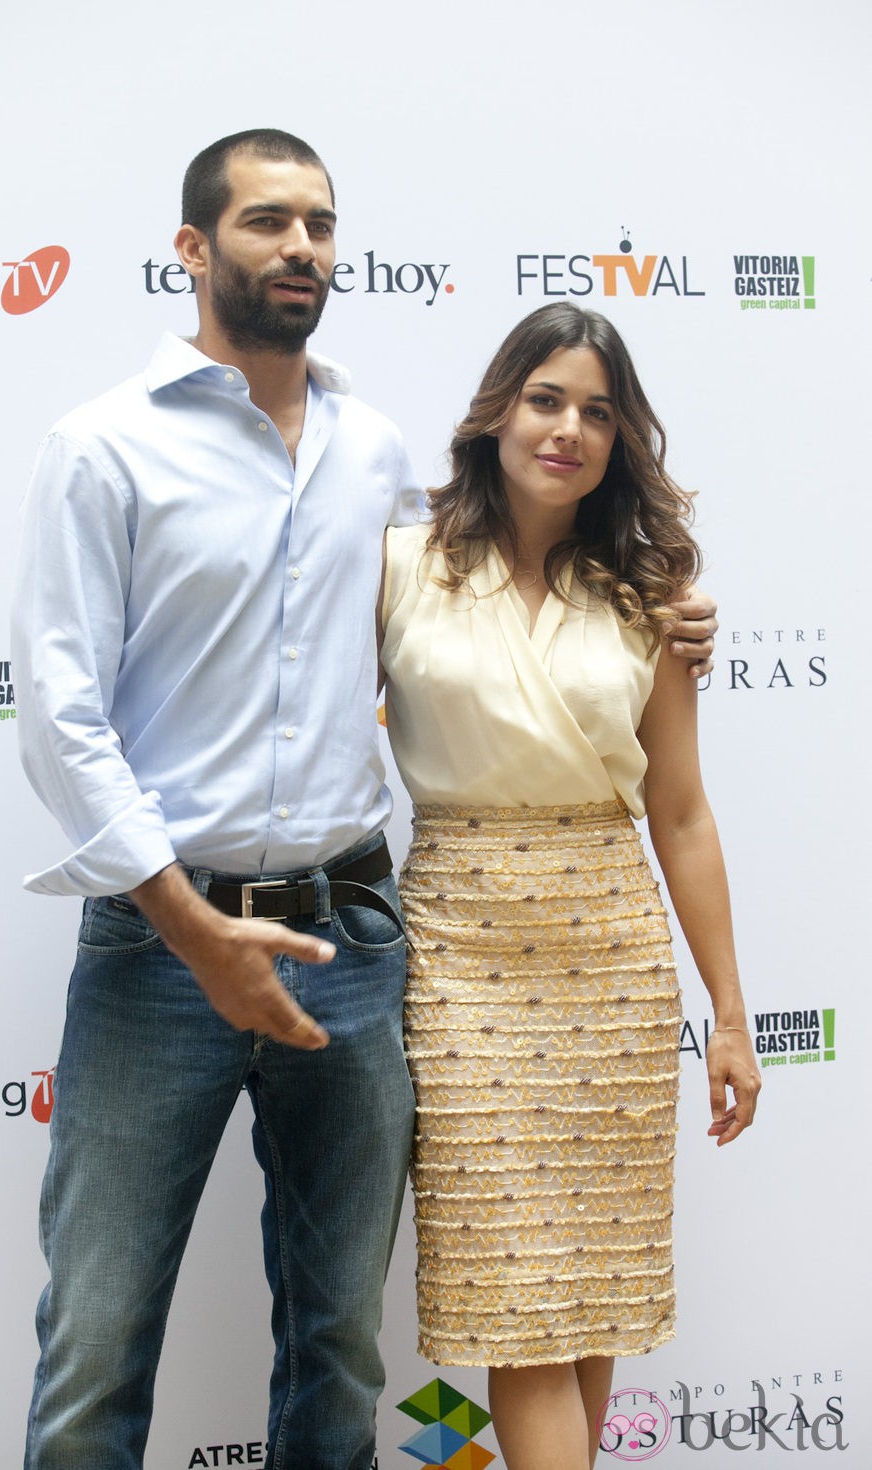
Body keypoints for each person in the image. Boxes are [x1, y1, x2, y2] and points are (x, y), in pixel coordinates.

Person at [12, 128, 719, 1470]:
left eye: (322, 225)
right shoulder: (101, 448)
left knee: (338, 1341)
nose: (300, 248)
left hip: (352, 935)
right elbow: (59, 720)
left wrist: (669, 620)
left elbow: (497, 601)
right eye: (268, 220)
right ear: (192, 247)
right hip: (160, 944)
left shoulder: (372, 452)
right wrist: (188, 924)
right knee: (96, 1340)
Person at [379, 302, 760, 1470]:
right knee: (519, 1304)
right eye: (545, 399)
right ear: (496, 410)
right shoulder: (399, 560)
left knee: (584, 1298)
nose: (568, 429)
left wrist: (730, 1014)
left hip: (609, 947)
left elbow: (681, 813)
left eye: (597, 411)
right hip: (459, 949)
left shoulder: (650, 595)